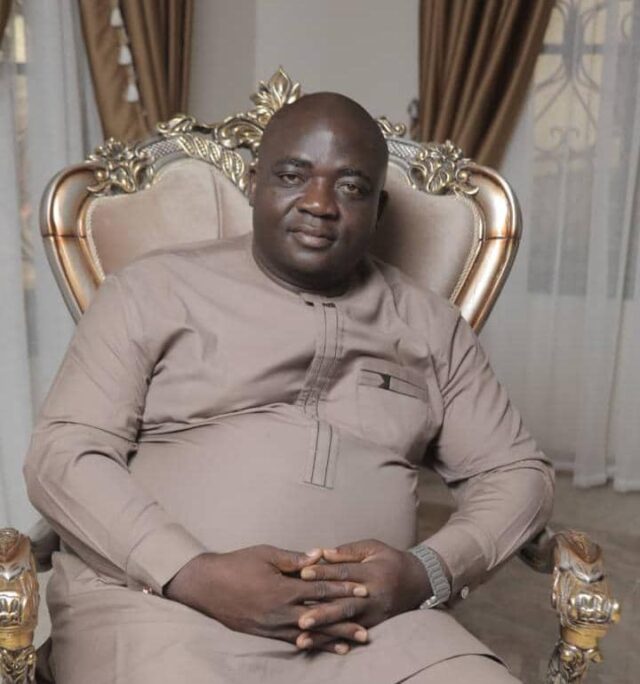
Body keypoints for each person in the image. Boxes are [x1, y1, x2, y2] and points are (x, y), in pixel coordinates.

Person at [24, 92, 554, 684]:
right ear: (254, 184)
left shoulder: (430, 325)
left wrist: (427, 571)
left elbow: (516, 473)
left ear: (378, 208)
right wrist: (189, 571)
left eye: (351, 186)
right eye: (293, 176)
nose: (320, 204)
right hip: (160, 611)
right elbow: (63, 456)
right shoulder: (151, 291)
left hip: (374, 631)